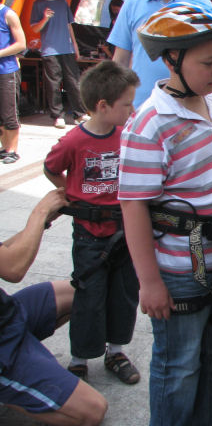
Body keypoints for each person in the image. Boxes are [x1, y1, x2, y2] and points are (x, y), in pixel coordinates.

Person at [118, 3, 212, 426]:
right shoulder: (150, 124)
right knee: (179, 368)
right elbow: (133, 206)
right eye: (207, 63)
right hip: (180, 273)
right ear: (172, 59)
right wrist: (150, 283)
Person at [44, 60, 141, 386]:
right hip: (89, 235)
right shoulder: (74, 141)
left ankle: (116, 352)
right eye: (126, 104)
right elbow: (51, 166)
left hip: (124, 231)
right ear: (103, 106)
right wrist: (68, 193)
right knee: (89, 295)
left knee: (124, 292)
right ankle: (79, 359)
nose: (132, 110)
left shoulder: (126, 137)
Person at [0, 188, 108, 425]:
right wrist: (40, 212)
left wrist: (43, 222)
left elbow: (4, 254)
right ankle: (16, 380)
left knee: (84, 295)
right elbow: (13, 269)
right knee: (93, 409)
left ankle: (27, 359)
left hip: (8, 313)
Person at [108, 0, 211, 109]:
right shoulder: (131, 5)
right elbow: (120, 61)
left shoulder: (203, 6)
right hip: (141, 107)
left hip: (188, 108)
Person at [30, 0, 89, 129]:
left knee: (74, 81)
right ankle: (58, 115)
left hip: (66, 48)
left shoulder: (62, 2)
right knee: (54, 84)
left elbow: (69, 25)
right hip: (49, 49)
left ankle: (79, 113)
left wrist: (75, 45)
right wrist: (45, 18)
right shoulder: (38, 4)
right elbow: (35, 28)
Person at [0, 0, 26, 164]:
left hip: (7, 70)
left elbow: (21, 44)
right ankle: (5, 147)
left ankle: (13, 150)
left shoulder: (8, 14)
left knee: (9, 112)